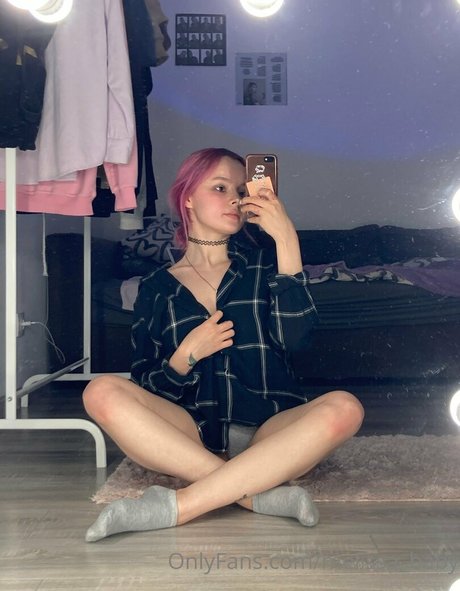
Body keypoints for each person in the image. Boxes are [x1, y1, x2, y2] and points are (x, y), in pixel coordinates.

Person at [83, 147, 364, 542]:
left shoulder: (266, 267)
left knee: (345, 408)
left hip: (270, 429)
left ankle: (180, 505)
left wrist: (286, 238)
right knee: (100, 391)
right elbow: (147, 383)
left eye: (241, 190)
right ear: (187, 198)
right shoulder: (155, 288)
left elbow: (298, 341)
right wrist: (186, 356)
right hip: (189, 435)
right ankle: (254, 493)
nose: (235, 199)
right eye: (220, 188)